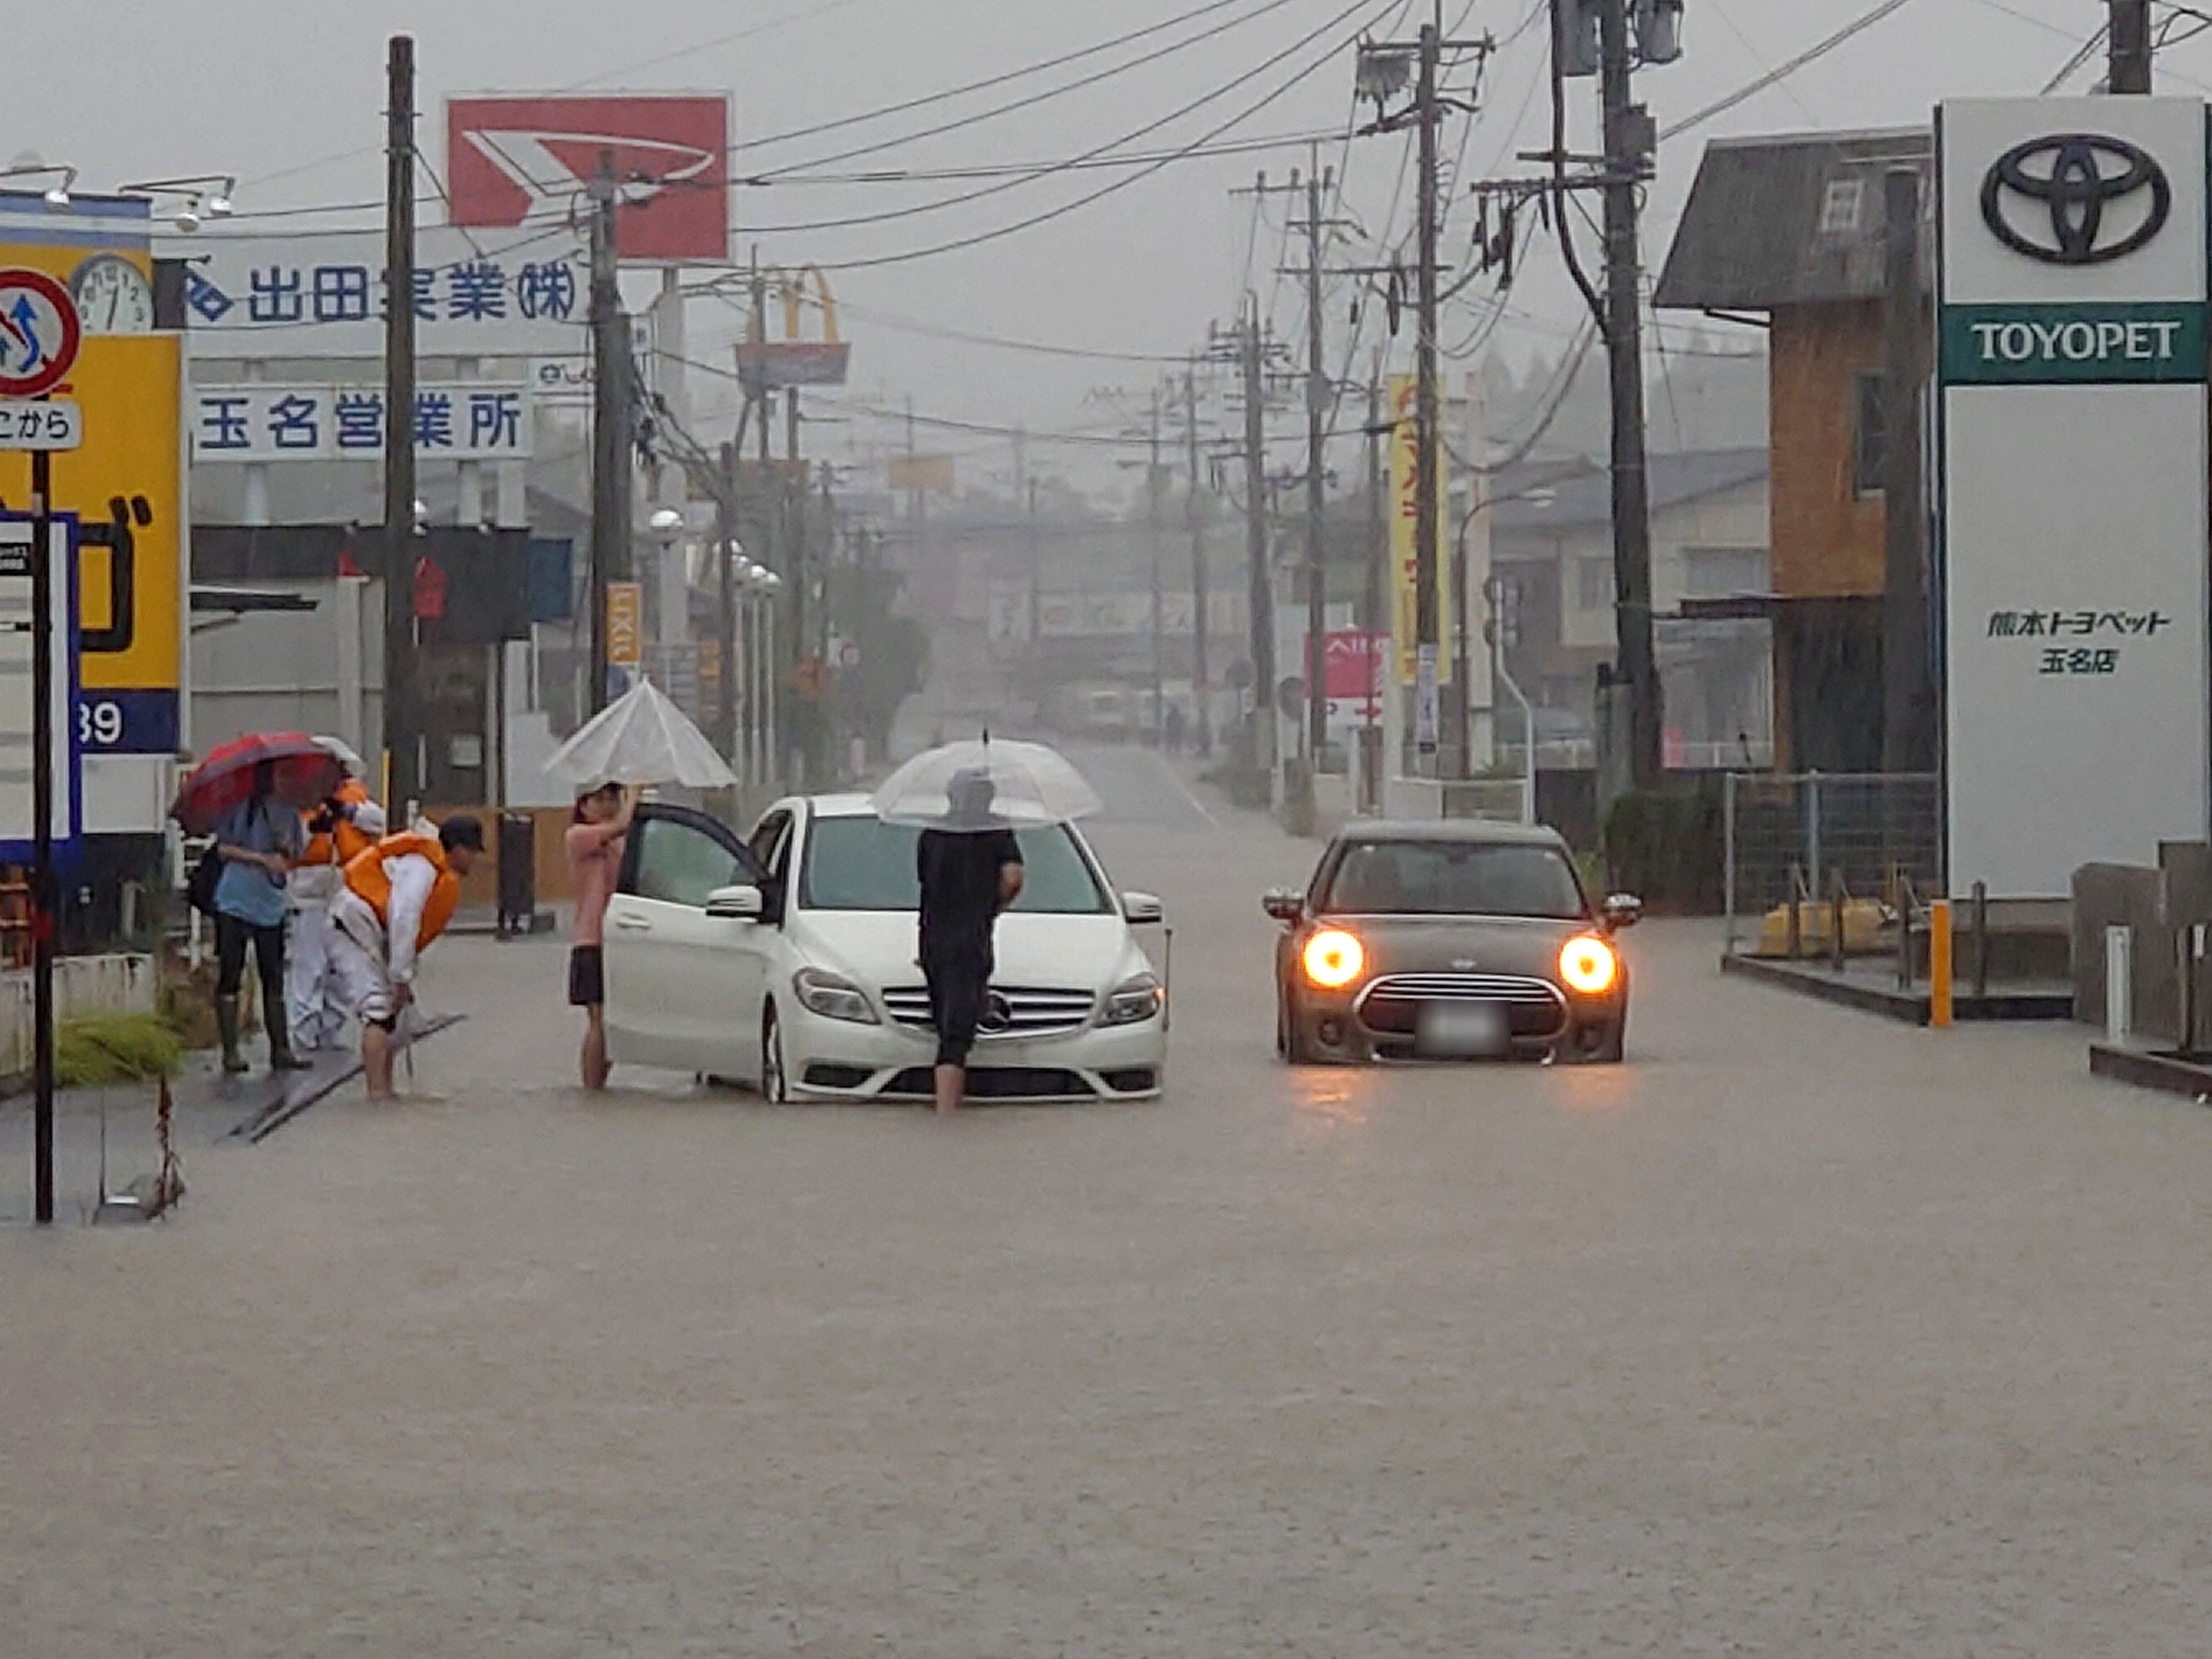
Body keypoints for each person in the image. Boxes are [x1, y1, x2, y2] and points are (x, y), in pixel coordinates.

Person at [327, 815, 486, 1100]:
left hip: (374, 932)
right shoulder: (421, 866)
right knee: (378, 1008)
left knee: (396, 1017)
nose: (474, 859)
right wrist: (400, 976)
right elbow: (404, 916)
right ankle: (377, 1096)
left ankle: (387, 1091)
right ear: (460, 848)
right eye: (473, 851)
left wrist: (403, 975)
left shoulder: (434, 868)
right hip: (351, 929)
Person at [916, 768, 1025, 1115]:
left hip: (932, 939)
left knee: (944, 1018)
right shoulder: (997, 832)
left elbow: (925, 883)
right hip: (971, 939)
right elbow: (1013, 879)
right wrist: (993, 905)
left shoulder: (931, 834)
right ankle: (947, 1116)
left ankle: (944, 1109)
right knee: (955, 1036)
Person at [286, 746, 387, 1054]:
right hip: (308, 892)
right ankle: (304, 1034)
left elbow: (378, 821)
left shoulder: (354, 801)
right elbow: (290, 841)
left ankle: (330, 1030)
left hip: (346, 888)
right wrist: (315, 828)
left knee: (342, 968)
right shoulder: (298, 804)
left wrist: (347, 813)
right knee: (310, 965)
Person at [211, 759, 308, 1074]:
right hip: (235, 900)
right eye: (284, 776)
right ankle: (231, 1051)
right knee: (231, 972)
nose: (289, 782)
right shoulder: (242, 807)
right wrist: (261, 858)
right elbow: (224, 849)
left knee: (274, 975)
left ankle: (281, 1048)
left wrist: (284, 853)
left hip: (271, 902)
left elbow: (296, 852)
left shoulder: (290, 813)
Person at [566, 781, 639, 1090]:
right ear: (584, 806)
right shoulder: (578, 836)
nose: (608, 804)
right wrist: (634, 795)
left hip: (621, 935)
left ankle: (599, 1088)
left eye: (613, 797)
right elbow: (622, 825)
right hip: (592, 939)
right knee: (598, 1020)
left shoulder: (621, 841)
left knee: (614, 1020)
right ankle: (593, 1089)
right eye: (601, 798)